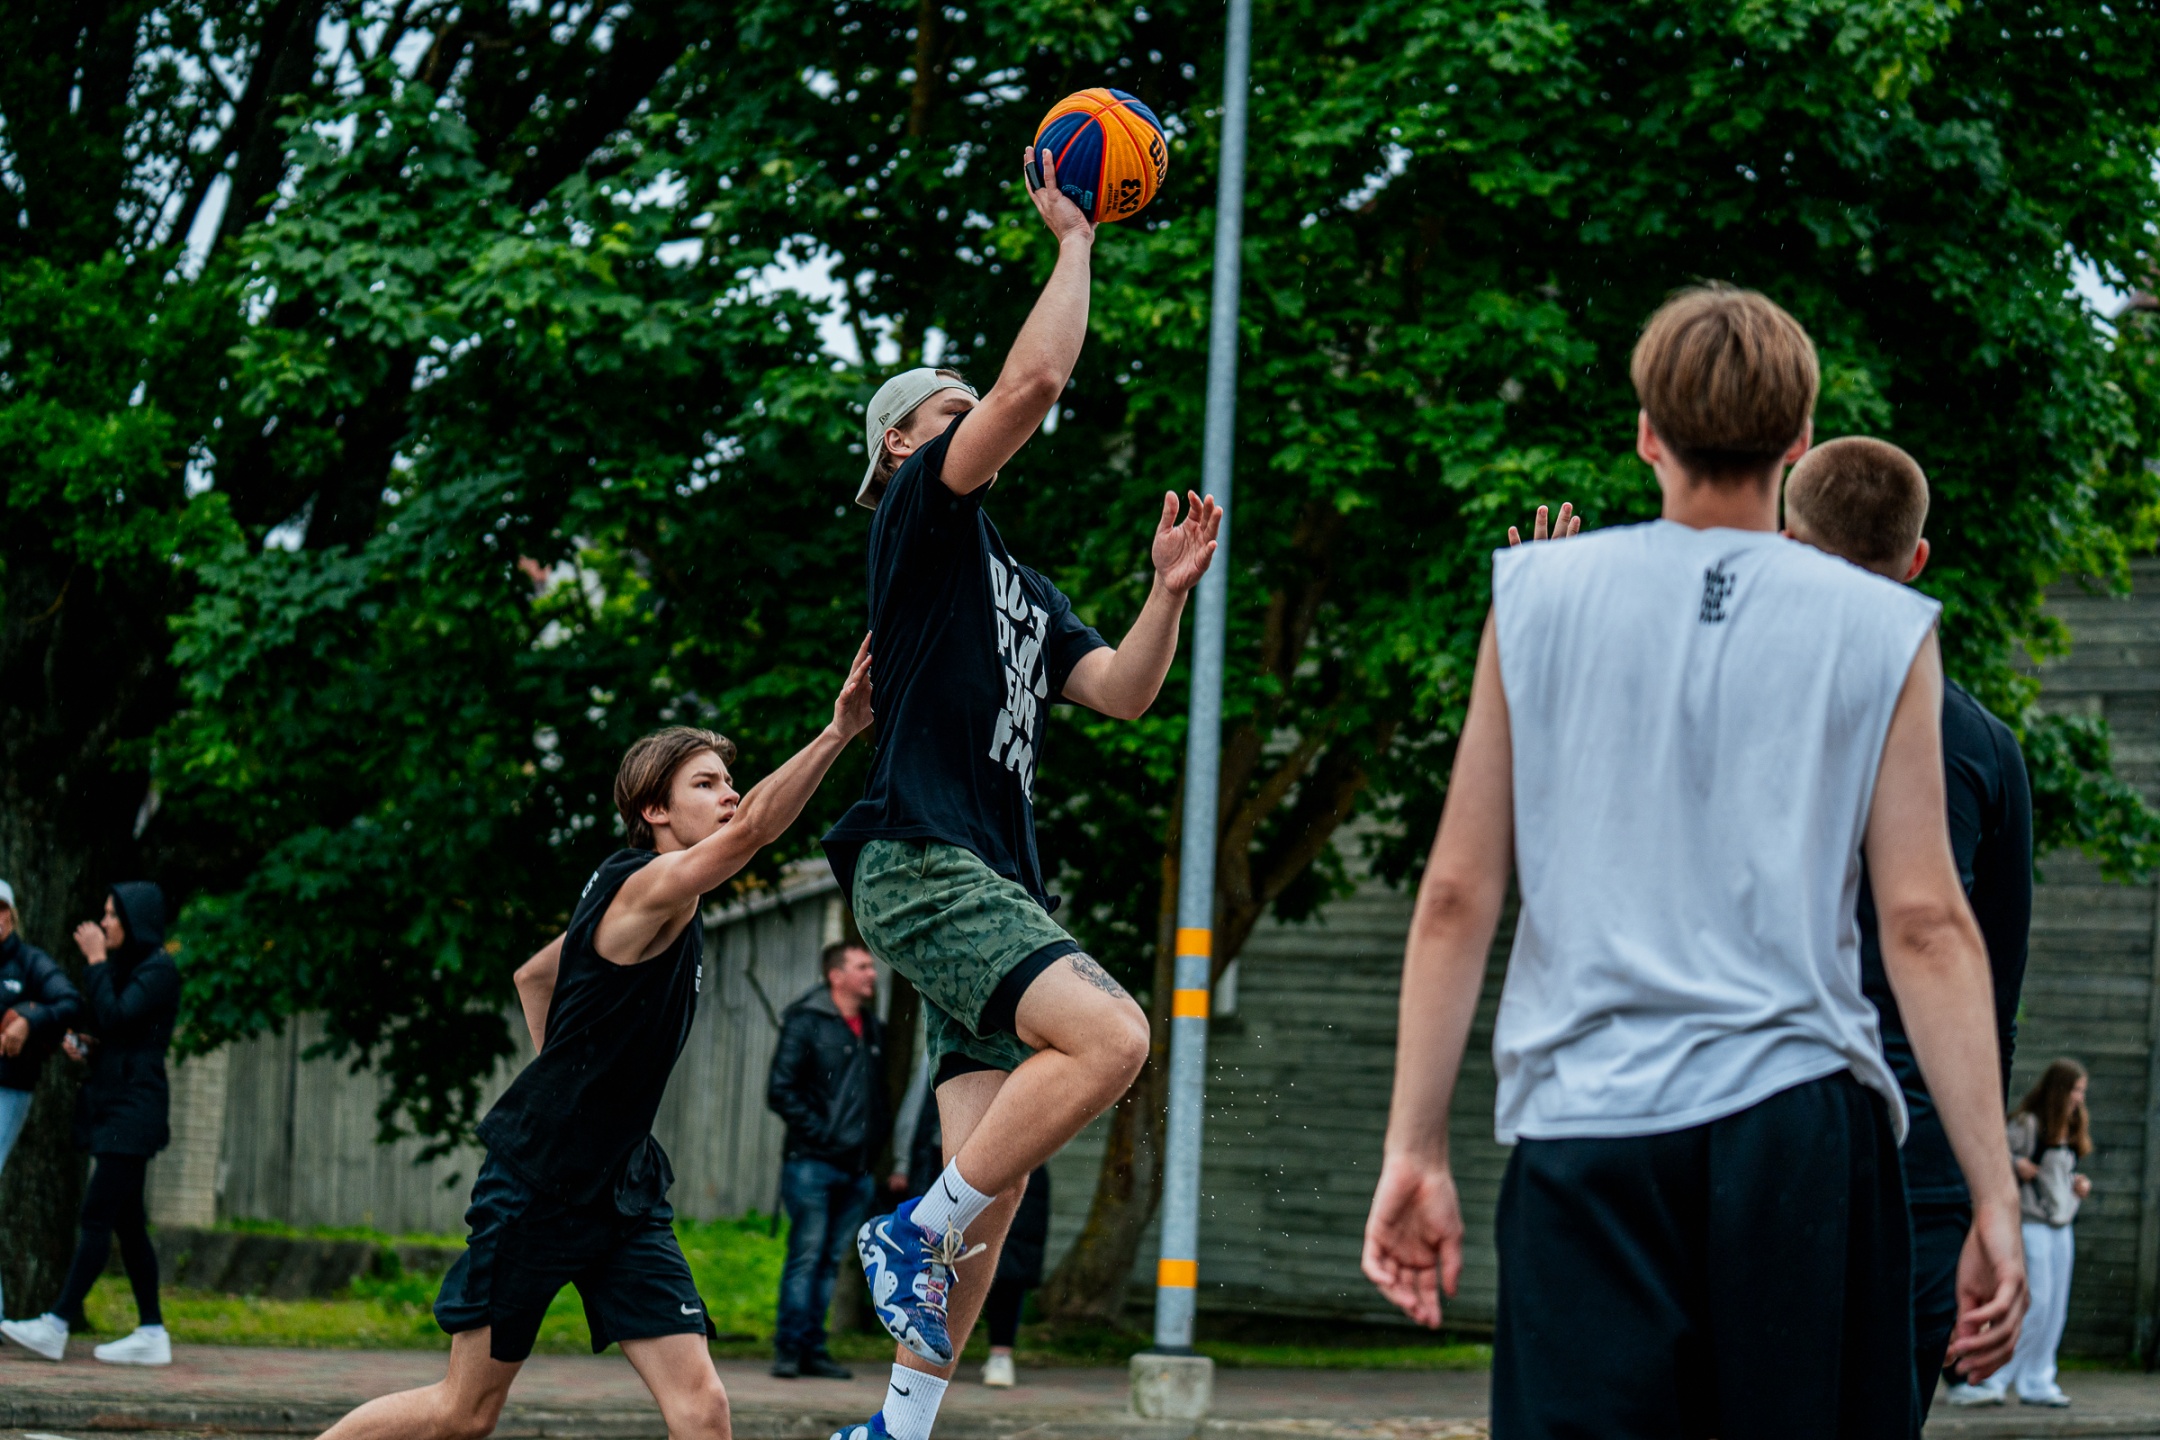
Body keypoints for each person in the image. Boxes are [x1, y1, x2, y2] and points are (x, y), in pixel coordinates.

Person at [1360, 285, 2028, 1439]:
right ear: (1798, 438)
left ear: (1646, 433)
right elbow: (1927, 924)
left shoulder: (1538, 596)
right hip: (1799, 1127)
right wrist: (1994, 1197)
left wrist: (1415, 1145)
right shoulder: (1880, 627)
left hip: (1590, 1124)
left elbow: (1459, 895)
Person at [820, 141, 1220, 1440]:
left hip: (984, 879)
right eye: (952, 406)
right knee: (1114, 1039)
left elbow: (1122, 692)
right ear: (900, 442)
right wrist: (1075, 239)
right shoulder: (919, 520)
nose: (976, 414)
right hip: (924, 857)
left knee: (992, 1190)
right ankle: (909, 1230)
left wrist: (1165, 595)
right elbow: (1036, 379)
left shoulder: (1019, 586)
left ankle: (898, 1427)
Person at [314, 643, 872, 1440]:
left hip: (622, 1189)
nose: (729, 794)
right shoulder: (644, 886)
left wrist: (573, 1082)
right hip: (539, 1185)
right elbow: (752, 831)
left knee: (704, 1409)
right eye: (705, 783)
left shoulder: (637, 903)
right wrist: (837, 731)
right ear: (654, 810)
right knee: (463, 1414)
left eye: (728, 780)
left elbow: (534, 976)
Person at [1783, 435, 2036, 1422]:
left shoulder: (1720, 703)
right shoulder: (1984, 748)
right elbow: (1991, 993)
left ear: (1784, 546)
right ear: (1917, 559)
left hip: (1760, 1138)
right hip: (1918, 1168)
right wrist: (1990, 1197)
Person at [1, 884, 179, 1366]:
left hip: (135, 1110)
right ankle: (152, 1331)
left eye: (111, 915)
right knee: (128, 1223)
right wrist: (87, 1045)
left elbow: (118, 1017)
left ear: (135, 920)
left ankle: (56, 1324)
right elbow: (111, 1027)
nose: (103, 923)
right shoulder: (129, 968)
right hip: (116, 1104)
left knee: (97, 1215)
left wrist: (97, 961)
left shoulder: (158, 969)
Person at [767, 940, 889, 1380]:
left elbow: (874, 1098)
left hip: (857, 1169)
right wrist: (826, 1136)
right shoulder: (806, 1021)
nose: (872, 974)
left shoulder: (871, 1028)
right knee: (806, 1256)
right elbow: (780, 1090)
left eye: (871, 966)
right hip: (812, 1164)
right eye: (862, 966)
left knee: (830, 1261)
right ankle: (788, 1350)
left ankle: (813, 1350)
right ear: (836, 975)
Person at [1948, 1059, 2093, 1409]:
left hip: (2061, 1223)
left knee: (2055, 1307)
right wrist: (2017, 1165)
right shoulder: (2028, 1124)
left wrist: (2077, 1184)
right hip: (2031, 1221)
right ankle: (1994, 1376)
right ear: (2060, 1089)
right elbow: (1996, 1156)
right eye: (2075, 1090)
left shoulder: (2071, 1126)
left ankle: (2038, 1379)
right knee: (2035, 1301)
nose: (2079, 1098)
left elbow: (2061, 1170)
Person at [0, 879, 82, 1322]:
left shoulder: (30, 963)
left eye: (1, 909)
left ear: (12, 915)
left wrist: (29, 1018)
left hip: (8, 1087)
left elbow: (69, 1002)